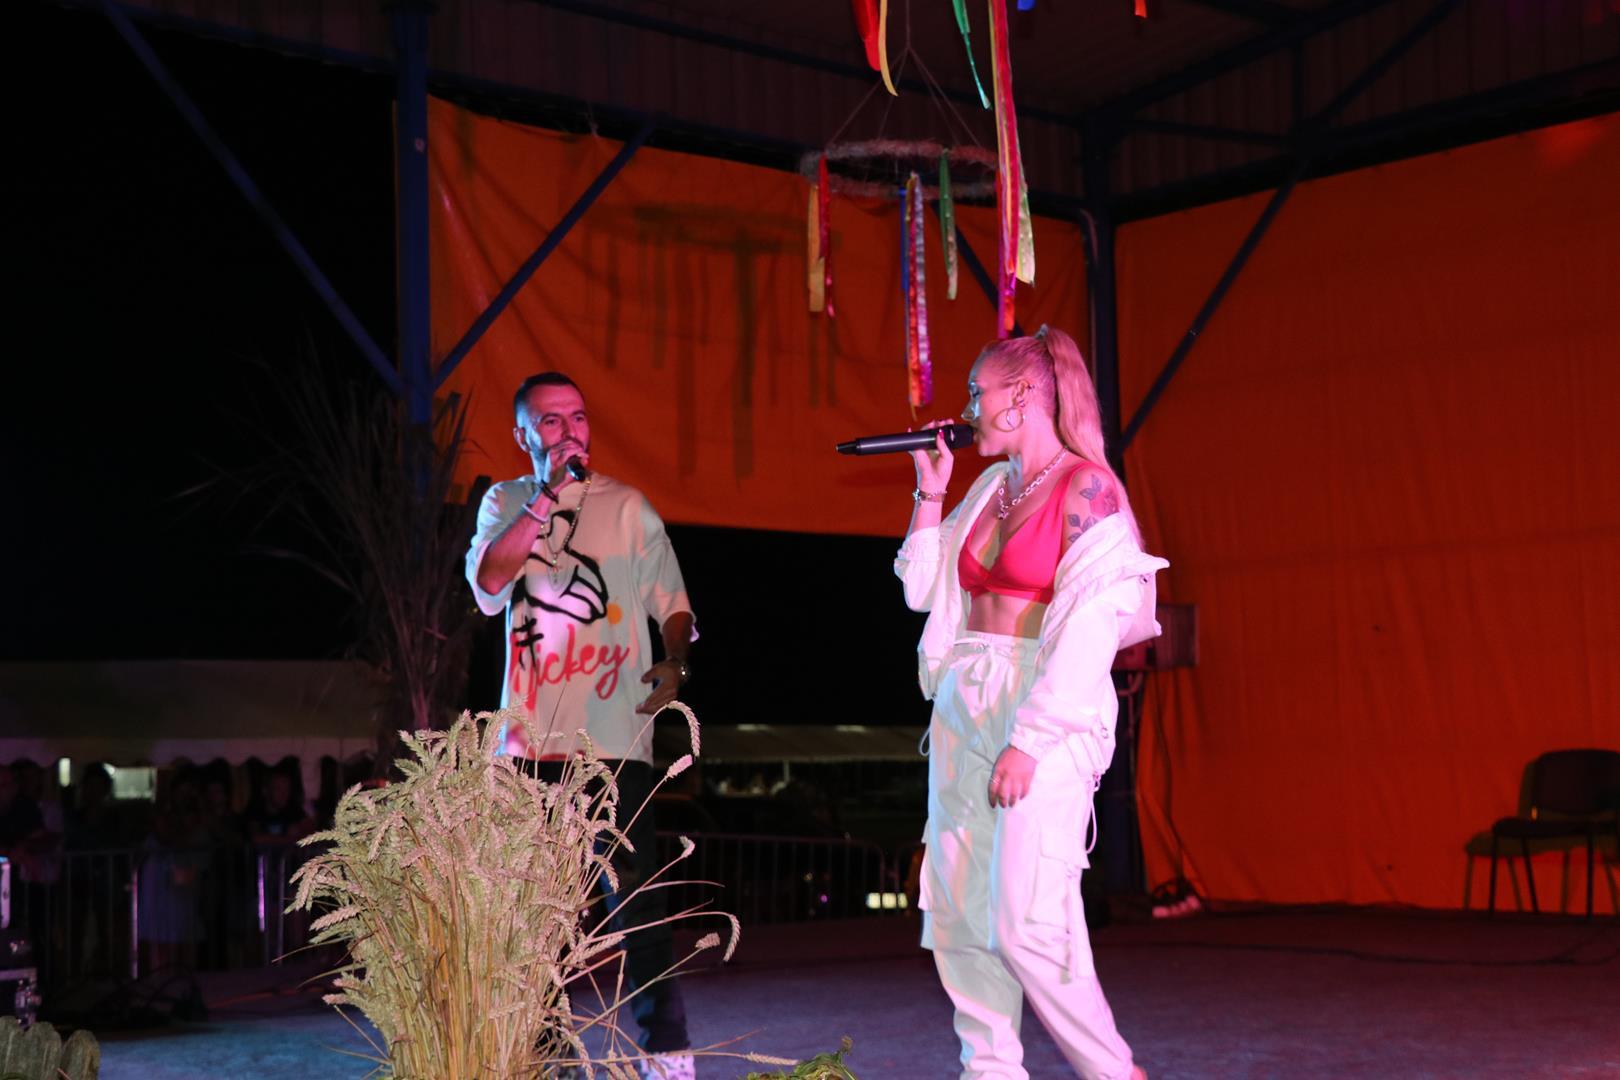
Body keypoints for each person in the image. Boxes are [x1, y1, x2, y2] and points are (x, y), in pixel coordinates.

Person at [895, 326, 1167, 1080]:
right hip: (965, 700)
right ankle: (989, 1070)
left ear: (1020, 394)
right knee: (959, 910)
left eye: (976, 392)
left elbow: (1092, 628)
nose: (967, 409)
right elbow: (921, 590)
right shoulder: (991, 486)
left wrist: (1031, 738)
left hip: (1039, 705)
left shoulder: (1088, 488)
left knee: (1027, 918)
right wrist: (930, 492)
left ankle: (1114, 1072)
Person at [466, 371, 697, 1080]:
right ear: (523, 434)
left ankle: (666, 1050)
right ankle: (548, 1053)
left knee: (636, 896)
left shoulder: (628, 506)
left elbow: (673, 602)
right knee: (532, 910)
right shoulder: (504, 502)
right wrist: (544, 496)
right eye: (551, 420)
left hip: (614, 741)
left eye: (578, 416)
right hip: (528, 745)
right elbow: (490, 585)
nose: (570, 430)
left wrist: (676, 660)